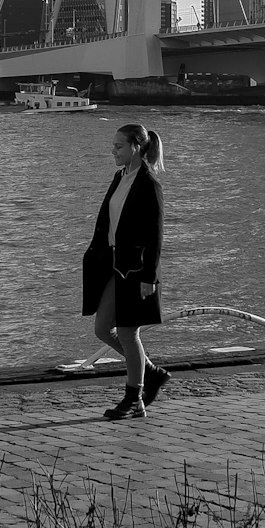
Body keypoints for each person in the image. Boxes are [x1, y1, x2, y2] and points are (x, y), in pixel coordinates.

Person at [82, 122, 171, 420]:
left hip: (136, 270)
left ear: (136, 147)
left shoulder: (148, 184)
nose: (113, 151)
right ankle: (151, 372)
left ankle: (134, 397)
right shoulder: (120, 177)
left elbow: (155, 235)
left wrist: (150, 277)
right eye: (113, 146)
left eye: (118, 146)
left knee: (127, 332)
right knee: (101, 328)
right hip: (112, 266)